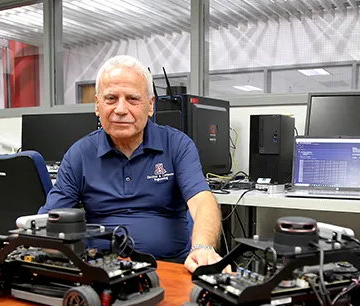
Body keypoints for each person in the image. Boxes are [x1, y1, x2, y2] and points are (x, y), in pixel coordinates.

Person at [38, 55, 223, 273]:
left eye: (133, 99)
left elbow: (203, 202)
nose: (121, 109)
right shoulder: (79, 154)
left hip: (170, 266)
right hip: (102, 269)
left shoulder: (177, 145)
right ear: (98, 105)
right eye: (111, 98)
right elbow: (51, 218)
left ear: (150, 105)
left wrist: (202, 248)